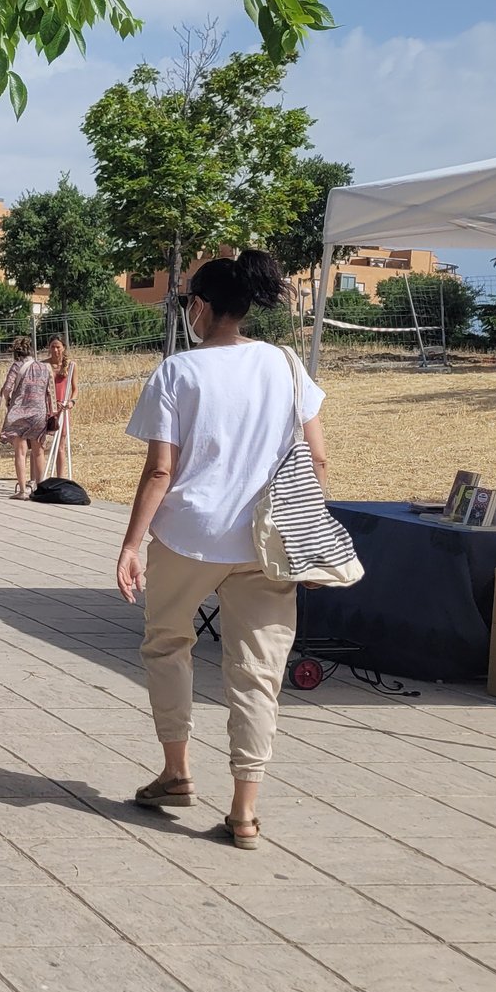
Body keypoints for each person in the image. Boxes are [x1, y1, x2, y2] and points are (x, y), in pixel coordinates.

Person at [117, 248, 325, 852]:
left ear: (201, 308)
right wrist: (311, 544)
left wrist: (131, 543)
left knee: (167, 645)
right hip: (268, 539)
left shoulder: (178, 373)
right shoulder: (286, 365)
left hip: (190, 535)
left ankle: (177, 771)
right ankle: (244, 813)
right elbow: (316, 457)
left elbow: (161, 470)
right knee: (258, 675)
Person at [0, 334, 52, 498]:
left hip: (19, 412)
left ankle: (23, 491)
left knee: (20, 452)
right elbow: (48, 391)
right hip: (39, 412)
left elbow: (7, 388)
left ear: (17, 353)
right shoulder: (44, 367)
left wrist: (8, 400)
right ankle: (41, 488)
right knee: (39, 452)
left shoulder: (17, 366)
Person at [42, 336, 76, 479]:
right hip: (45, 408)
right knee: (40, 445)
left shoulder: (71, 365)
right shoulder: (43, 365)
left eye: (58, 347)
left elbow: (75, 389)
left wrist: (71, 402)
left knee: (60, 446)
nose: (55, 350)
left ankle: (60, 478)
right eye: (52, 347)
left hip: (62, 410)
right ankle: (40, 478)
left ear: (63, 348)